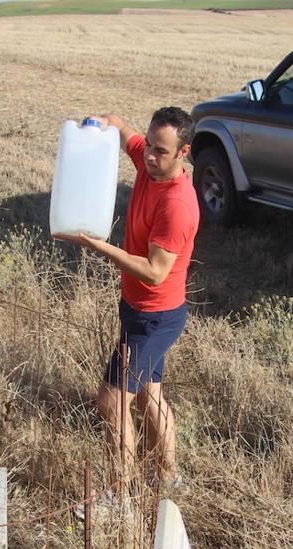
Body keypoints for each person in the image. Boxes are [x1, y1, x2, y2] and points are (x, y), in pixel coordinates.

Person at [54, 107, 200, 496]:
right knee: (150, 395)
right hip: (137, 309)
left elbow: (154, 271)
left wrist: (98, 245)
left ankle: (120, 494)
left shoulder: (177, 205)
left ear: (183, 152)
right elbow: (120, 126)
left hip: (156, 316)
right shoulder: (149, 162)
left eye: (161, 151)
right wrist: (100, 124)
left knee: (111, 402)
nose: (149, 156)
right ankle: (168, 477)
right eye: (149, 146)